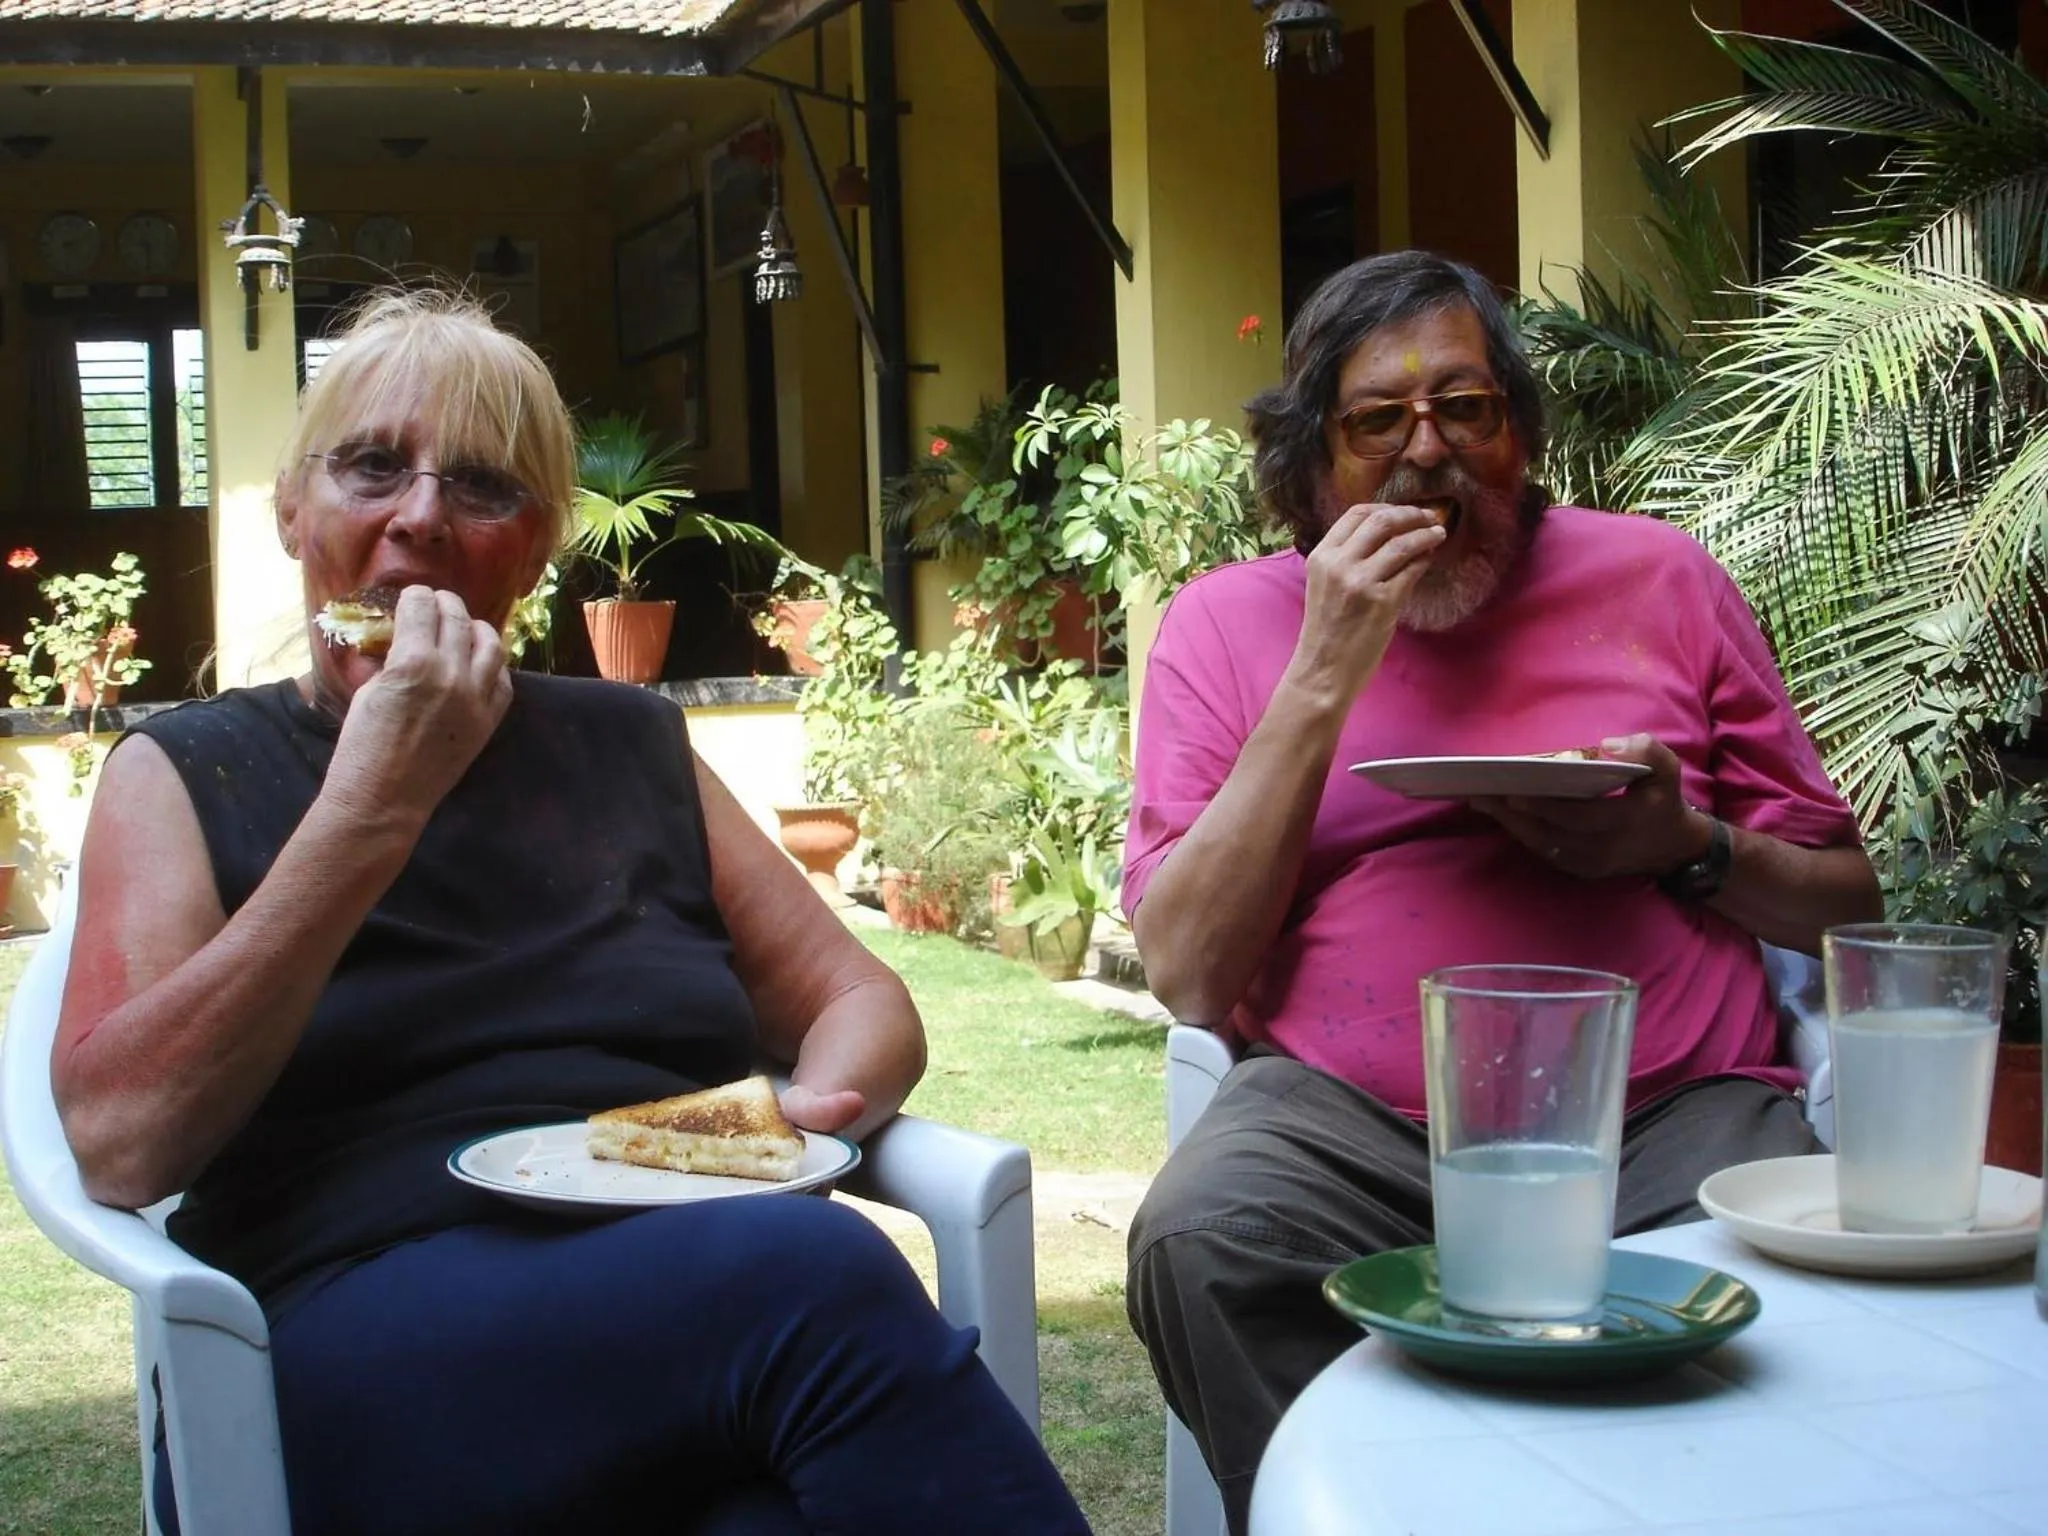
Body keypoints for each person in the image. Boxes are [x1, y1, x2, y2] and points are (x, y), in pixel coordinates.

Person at [51, 288, 1092, 1536]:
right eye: (372, 467)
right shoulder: (186, 767)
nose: (421, 518)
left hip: (680, 1291)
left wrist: (785, 1123)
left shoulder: (631, 741)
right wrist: (375, 805)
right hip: (340, 1336)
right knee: (817, 1275)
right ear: (292, 509)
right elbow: (119, 1139)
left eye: (483, 489)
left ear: (537, 551)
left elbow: (859, 1001)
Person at [1122, 250, 1881, 1531]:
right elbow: (1189, 973)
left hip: (1663, 1104)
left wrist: (1680, 846)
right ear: (1313, 460)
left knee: (1785, 1301)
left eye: (1463, 409)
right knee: (1201, 1242)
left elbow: (1849, 908)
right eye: (1377, 422)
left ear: (1515, 433)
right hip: (1346, 1118)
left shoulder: (1659, 581)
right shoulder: (1225, 624)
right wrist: (1320, 674)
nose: (1429, 453)